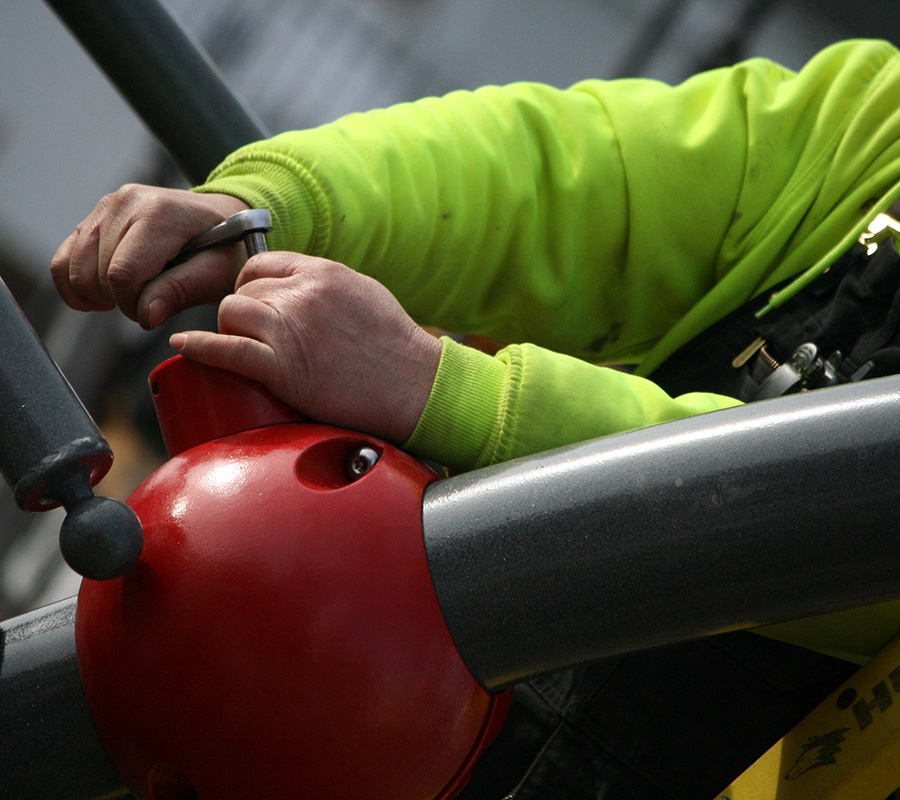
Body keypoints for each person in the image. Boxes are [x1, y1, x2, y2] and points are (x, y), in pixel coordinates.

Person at [51, 38, 900, 798]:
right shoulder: (873, 125)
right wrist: (263, 206)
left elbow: (859, 512)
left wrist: (437, 388)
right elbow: (568, 177)